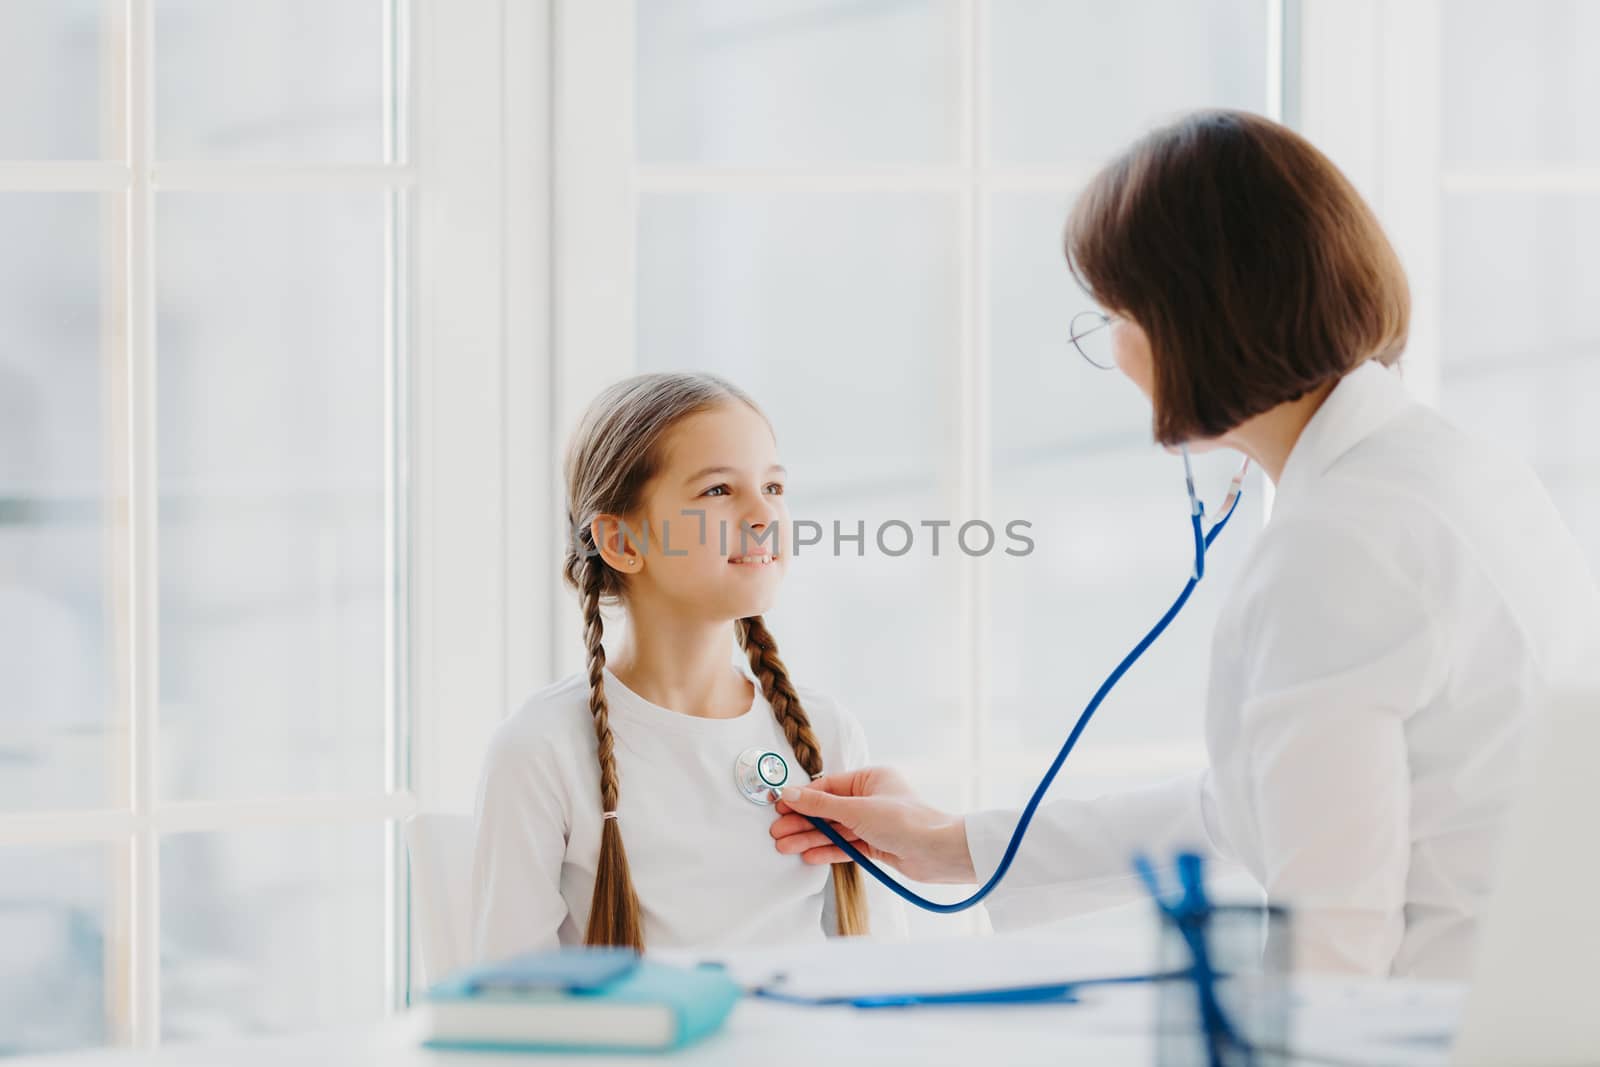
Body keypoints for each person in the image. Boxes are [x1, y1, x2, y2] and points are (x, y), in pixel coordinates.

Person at [768, 110, 1600, 980]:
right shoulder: (1453, 469)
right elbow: (1257, 807)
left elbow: (1330, 944)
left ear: (1192, 320)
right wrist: (961, 845)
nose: (1115, 351)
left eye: (1115, 316)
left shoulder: (1337, 547)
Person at [471, 372, 904, 958]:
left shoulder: (826, 732)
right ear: (622, 542)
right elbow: (512, 1000)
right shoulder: (541, 749)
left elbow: (881, 966)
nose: (763, 515)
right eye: (718, 491)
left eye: (774, 487)